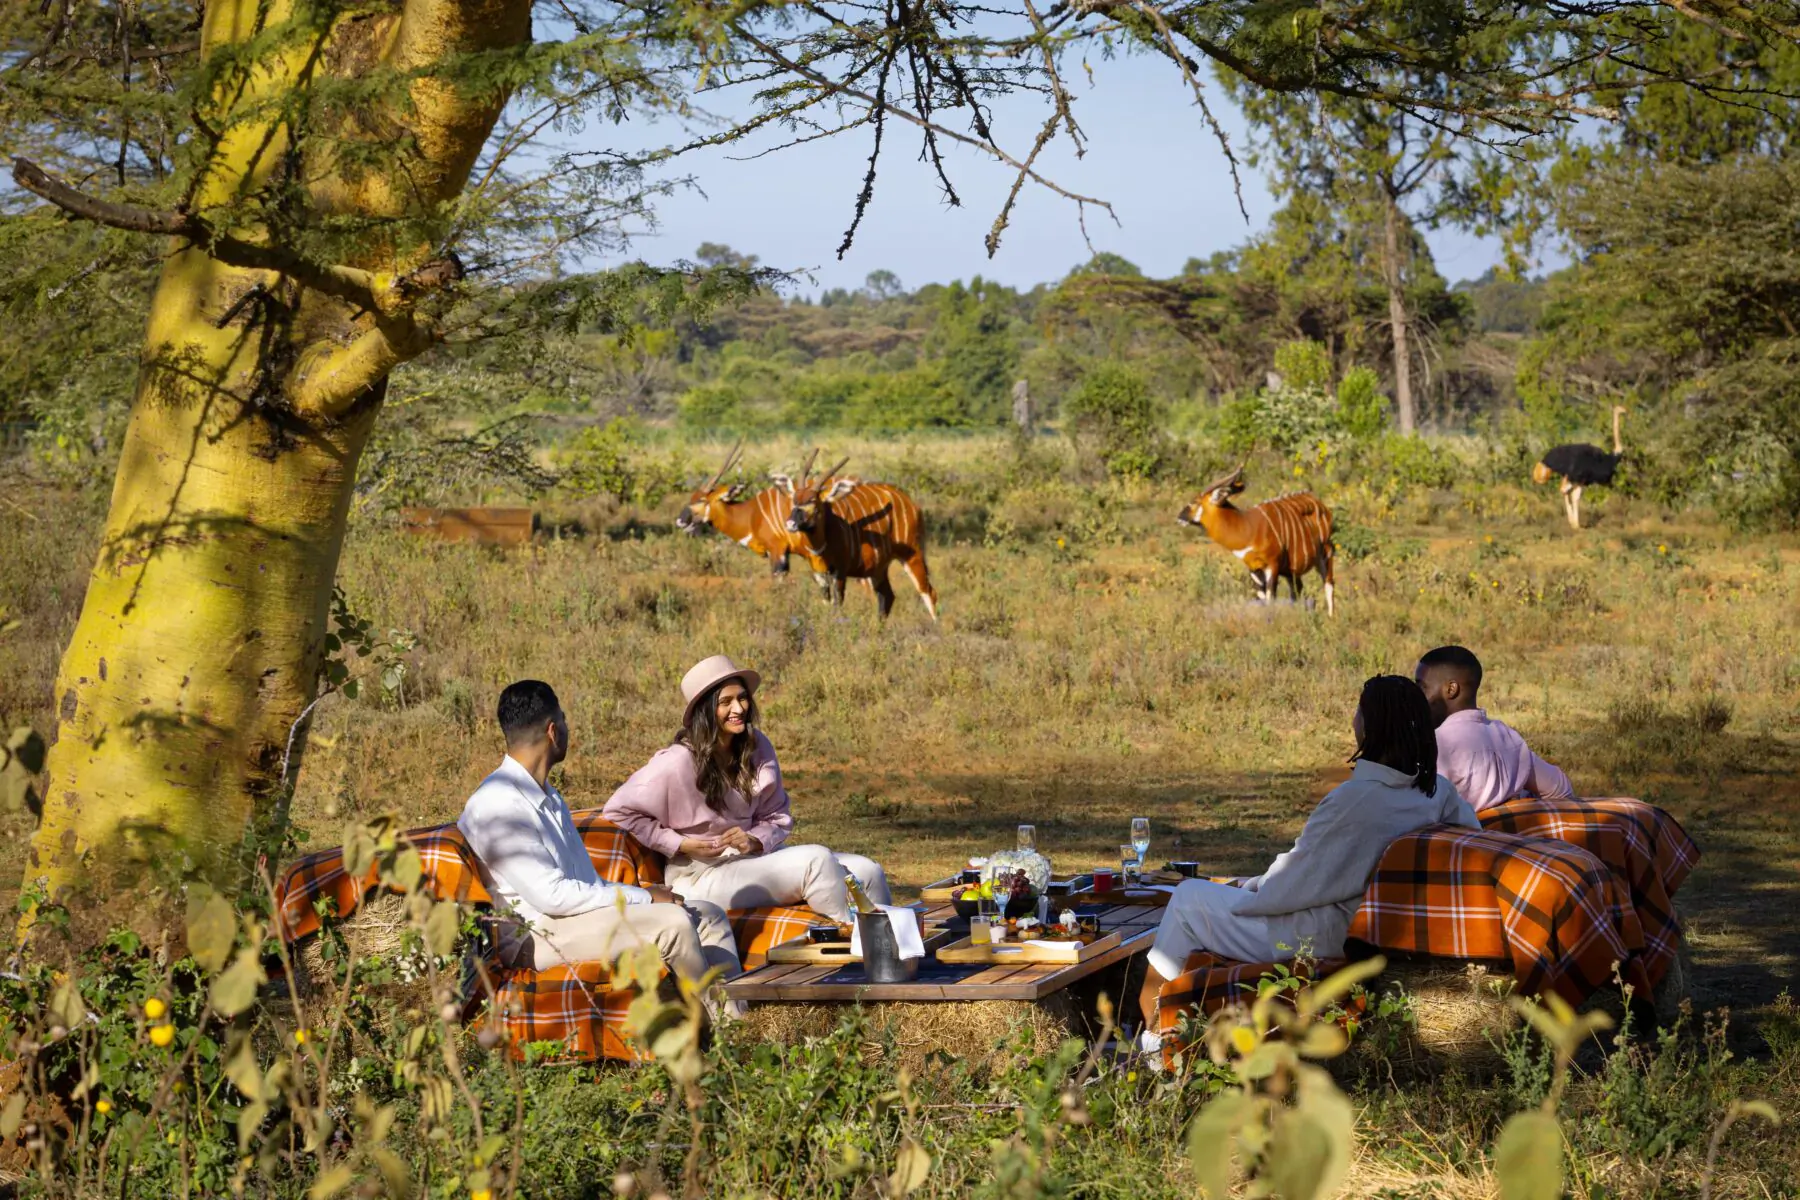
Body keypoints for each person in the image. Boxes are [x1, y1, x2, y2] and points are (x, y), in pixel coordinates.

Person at [1136, 675, 1480, 1042]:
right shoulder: (1437, 791)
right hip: (1364, 928)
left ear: (1373, 726)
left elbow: (1290, 886)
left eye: (1359, 711)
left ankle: (1154, 1039)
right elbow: (1472, 836)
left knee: (1189, 898)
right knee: (1207, 897)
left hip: (1318, 935)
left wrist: (1249, 888)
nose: (1354, 720)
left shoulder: (1355, 800)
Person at [457, 680, 741, 988]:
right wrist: (644, 897)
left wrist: (646, 897)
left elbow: (585, 884)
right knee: (673, 923)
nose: (567, 728)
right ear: (553, 731)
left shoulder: (548, 797)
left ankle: (736, 1018)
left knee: (707, 914)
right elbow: (552, 897)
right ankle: (717, 1029)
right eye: (564, 720)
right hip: (536, 935)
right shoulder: (498, 804)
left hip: (571, 918)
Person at [603, 655, 891, 924]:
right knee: (816, 861)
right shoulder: (677, 762)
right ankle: (849, 949)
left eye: (742, 698)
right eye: (725, 702)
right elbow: (618, 809)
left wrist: (753, 839)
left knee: (868, 872)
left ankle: (890, 952)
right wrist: (679, 844)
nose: (739, 709)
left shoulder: (757, 746)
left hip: (753, 859)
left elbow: (776, 815)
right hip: (701, 874)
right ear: (706, 710)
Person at [1414, 645, 1574, 813]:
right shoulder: (1506, 737)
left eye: (1421, 688)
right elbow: (1561, 789)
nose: (1415, 696)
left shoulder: (1436, 745)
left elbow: (1420, 813)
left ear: (1451, 689)